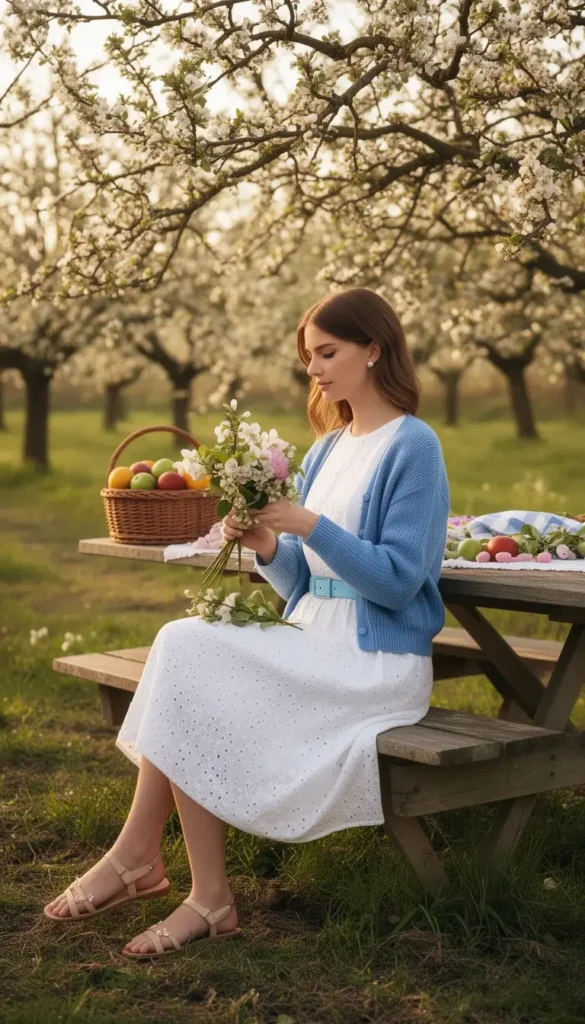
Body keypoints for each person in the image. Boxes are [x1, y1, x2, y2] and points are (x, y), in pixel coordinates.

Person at [43, 287, 450, 959]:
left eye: (328, 353)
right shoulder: (326, 449)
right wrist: (268, 547)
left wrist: (309, 524)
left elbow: (399, 581)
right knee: (187, 653)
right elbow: (304, 582)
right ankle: (194, 889)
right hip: (313, 640)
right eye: (307, 357)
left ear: (373, 350)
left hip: (373, 663)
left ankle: (150, 864)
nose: (314, 370)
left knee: (186, 648)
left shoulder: (414, 446)